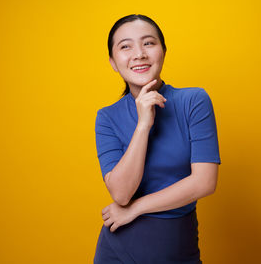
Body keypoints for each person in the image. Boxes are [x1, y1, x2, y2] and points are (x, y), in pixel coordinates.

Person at [94, 14, 221, 264]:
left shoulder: (193, 101)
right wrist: (143, 124)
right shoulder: (107, 117)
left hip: (176, 248)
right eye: (125, 46)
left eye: (149, 43)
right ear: (112, 61)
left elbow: (205, 182)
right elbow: (120, 194)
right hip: (118, 250)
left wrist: (135, 208)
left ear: (163, 50)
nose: (139, 53)